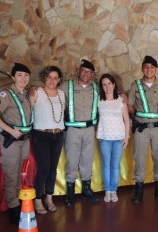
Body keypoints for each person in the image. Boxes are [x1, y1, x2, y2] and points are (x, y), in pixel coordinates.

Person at [0, 63, 32, 225]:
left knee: (20, 174)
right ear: (13, 77)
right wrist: (11, 131)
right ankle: (13, 208)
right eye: (19, 75)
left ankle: (18, 203)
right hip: (11, 141)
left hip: (24, 140)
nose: (23, 78)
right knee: (12, 175)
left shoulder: (26, 95)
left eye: (26, 75)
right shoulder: (6, 95)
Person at [127, 55, 158, 204]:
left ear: (156, 69)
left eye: (152, 67)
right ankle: (139, 188)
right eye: (146, 67)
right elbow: (129, 105)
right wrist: (138, 117)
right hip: (141, 129)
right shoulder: (135, 85)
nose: (149, 70)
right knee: (139, 159)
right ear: (142, 69)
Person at [59, 59, 100, 206]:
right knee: (72, 159)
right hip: (72, 130)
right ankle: (70, 193)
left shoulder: (96, 88)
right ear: (79, 70)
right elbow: (51, 94)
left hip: (90, 129)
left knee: (88, 159)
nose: (85, 74)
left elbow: (110, 95)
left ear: (92, 74)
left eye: (88, 72)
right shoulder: (66, 86)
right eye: (83, 71)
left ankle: (86, 190)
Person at [30, 66, 65, 214]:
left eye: (55, 78)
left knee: (53, 168)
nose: (52, 80)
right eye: (49, 77)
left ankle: (49, 197)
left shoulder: (62, 94)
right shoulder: (36, 92)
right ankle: (38, 199)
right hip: (41, 135)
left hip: (58, 135)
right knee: (44, 167)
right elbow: (27, 112)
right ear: (44, 77)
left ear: (59, 80)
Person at [97, 73, 130, 203]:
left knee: (115, 165)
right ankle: (107, 191)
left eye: (109, 84)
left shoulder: (121, 100)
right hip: (104, 137)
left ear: (114, 84)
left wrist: (126, 137)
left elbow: (126, 120)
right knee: (106, 165)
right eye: (104, 84)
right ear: (101, 87)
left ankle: (114, 190)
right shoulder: (99, 100)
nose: (107, 87)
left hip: (118, 138)